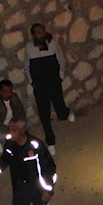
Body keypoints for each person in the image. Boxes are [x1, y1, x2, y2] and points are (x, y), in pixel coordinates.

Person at [23, 23, 74, 156]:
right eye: (38, 32)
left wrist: (60, 76)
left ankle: (66, 113)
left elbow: (61, 60)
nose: (41, 34)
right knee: (44, 114)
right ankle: (50, 141)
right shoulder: (29, 48)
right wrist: (32, 81)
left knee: (60, 109)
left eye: (42, 31)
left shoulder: (53, 44)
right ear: (33, 35)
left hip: (53, 82)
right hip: (40, 85)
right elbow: (27, 66)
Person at [0, 79, 28, 153]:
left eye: (10, 91)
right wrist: (9, 130)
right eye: (5, 92)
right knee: (0, 135)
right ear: (0, 91)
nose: (9, 94)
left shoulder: (14, 96)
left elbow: (21, 112)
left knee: (28, 125)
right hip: (1, 126)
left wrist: (18, 125)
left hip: (12, 122)